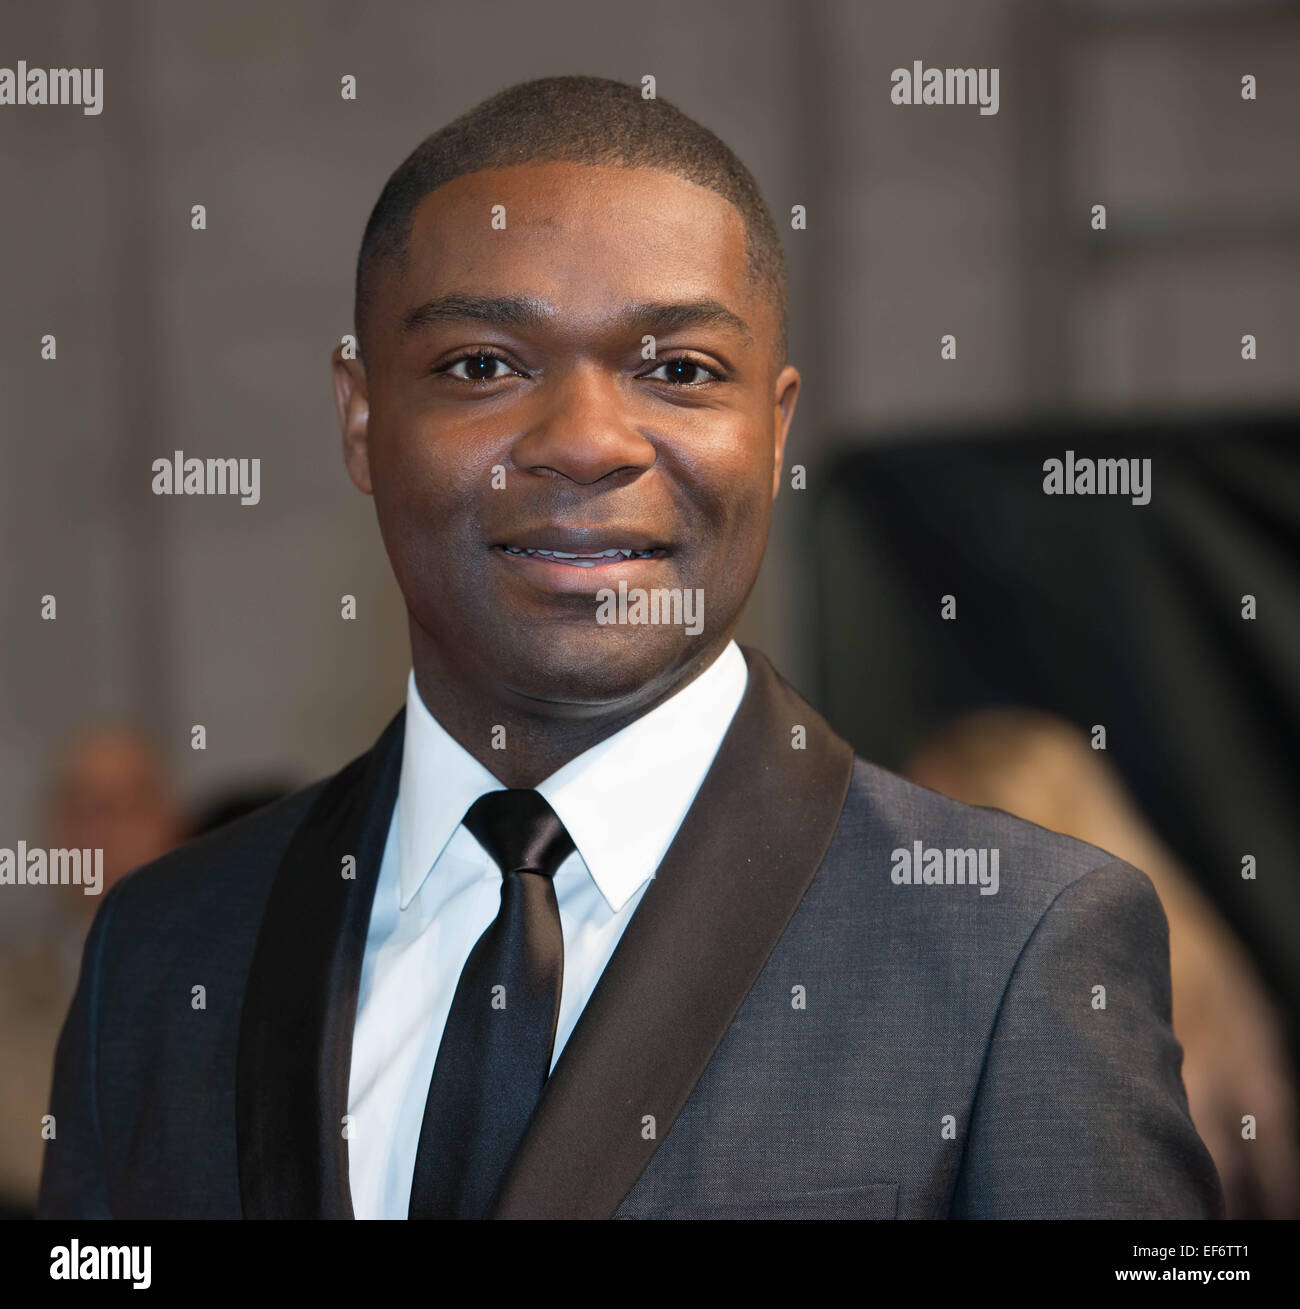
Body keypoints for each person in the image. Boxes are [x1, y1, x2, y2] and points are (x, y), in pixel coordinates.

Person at [38, 75, 1222, 1220]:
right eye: (482, 365)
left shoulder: (1011, 944)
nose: (587, 440)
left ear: (773, 429)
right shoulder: (164, 951)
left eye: (679, 371)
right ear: (361, 414)